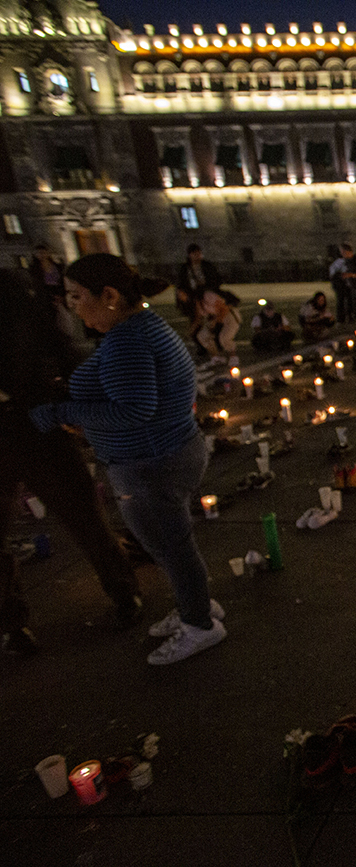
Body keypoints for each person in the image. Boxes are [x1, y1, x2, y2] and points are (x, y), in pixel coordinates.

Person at [29, 254, 226, 665]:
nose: (71, 305)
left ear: (111, 296)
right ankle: (198, 605)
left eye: (77, 296)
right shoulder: (145, 327)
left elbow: (135, 409)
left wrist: (62, 413)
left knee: (170, 546)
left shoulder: (127, 341)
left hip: (150, 462)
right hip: (167, 452)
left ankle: (200, 625)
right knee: (172, 544)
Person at [1, 269, 144, 656]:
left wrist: (78, 399)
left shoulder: (14, 291)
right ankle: (12, 624)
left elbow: (60, 348)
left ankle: (123, 591)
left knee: (83, 513)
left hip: (34, 423)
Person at [176, 243, 223, 351]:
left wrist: (210, 290)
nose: (198, 256)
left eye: (199, 254)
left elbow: (216, 279)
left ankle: (217, 343)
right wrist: (183, 295)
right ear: (190, 255)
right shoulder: (185, 268)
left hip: (208, 296)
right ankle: (200, 345)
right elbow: (181, 284)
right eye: (195, 254)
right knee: (196, 321)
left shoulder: (207, 266)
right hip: (193, 298)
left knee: (215, 321)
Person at [196, 284, 242, 366]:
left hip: (229, 315)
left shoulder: (208, 296)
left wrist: (216, 323)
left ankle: (233, 357)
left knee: (224, 337)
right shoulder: (197, 302)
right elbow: (202, 316)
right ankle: (216, 357)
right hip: (214, 317)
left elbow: (224, 308)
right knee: (202, 336)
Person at [328, 244, 355, 325]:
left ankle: (350, 316)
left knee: (351, 301)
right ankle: (341, 319)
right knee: (341, 301)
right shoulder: (338, 262)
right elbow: (333, 273)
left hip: (350, 284)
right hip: (341, 285)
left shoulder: (353, 260)